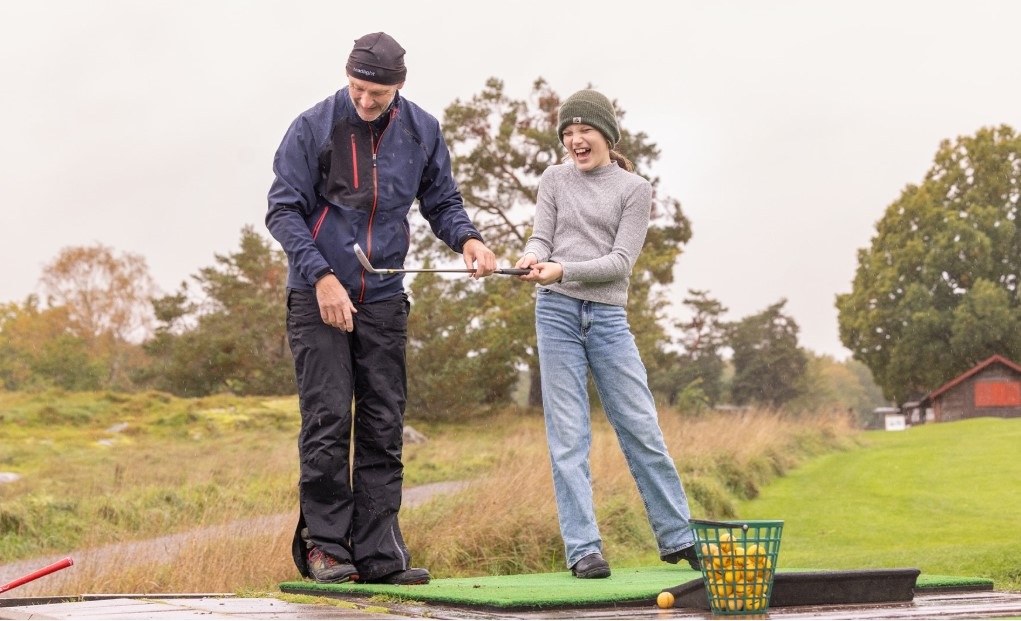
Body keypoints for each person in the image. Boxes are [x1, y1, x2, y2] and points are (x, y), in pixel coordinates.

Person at [265, 31, 497, 586]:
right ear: (348, 78)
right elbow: (282, 210)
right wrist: (320, 276)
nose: (366, 101)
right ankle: (325, 549)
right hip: (318, 296)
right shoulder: (314, 125)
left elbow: (441, 200)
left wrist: (467, 239)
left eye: (378, 93)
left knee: (383, 424)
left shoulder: (422, 130)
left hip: (385, 299)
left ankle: (378, 552)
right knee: (327, 422)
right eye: (358, 88)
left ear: (399, 87)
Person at [514, 89, 701, 579]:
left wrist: (561, 269)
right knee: (568, 436)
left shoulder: (634, 190)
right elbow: (541, 234)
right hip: (555, 315)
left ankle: (679, 536)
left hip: (608, 320)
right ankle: (583, 549)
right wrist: (533, 257)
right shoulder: (553, 179)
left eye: (584, 132)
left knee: (641, 426)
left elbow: (619, 263)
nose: (576, 141)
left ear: (606, 136)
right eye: (568, 133)